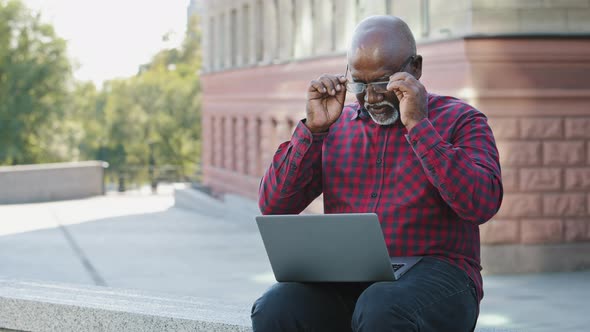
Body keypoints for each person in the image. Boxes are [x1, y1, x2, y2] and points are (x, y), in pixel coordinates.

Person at [252, 15, 503, 332]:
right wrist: (313, 131)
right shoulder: (333, 126)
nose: (370, 97)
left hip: (440, 278)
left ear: (416, 69)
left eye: (383, 82)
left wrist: (419, 127)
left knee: (382, 306)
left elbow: (481, 204)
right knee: (275, 308)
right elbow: (274, 206)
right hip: (349, 280)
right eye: (359, 83)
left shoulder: (461, 120)